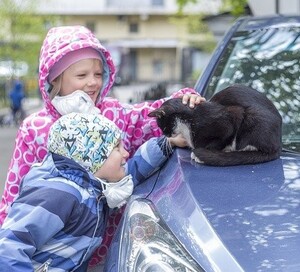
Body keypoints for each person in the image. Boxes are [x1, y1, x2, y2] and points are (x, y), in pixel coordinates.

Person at [0, 25, 204, 267]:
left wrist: (183, 101)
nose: (92, 83)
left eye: (98, 74)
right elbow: (14, 195)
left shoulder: (113, 114)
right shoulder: (34, 128)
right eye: (82, 75)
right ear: (54, 78)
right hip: (49, 258)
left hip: (105, 249)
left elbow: (149, 118)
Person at [0, 112, 188, 271]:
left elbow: (133, 171)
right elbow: (8, 247)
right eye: (116, 148)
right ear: (92, 156)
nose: (125, 153)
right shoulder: (58, 195)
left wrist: (166, 144)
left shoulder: (96, 189)